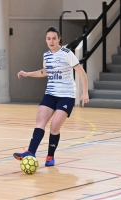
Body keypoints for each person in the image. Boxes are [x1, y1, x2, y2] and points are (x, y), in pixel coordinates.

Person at [13, 26, 89, 167]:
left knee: (54, 127)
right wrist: (27, 73)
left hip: (66, 96)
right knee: (40, 122)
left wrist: (85, 92)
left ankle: (50, 156)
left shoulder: (67, 53)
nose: (51, 41)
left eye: (54, 38)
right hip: (50, 93)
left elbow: (81, 72)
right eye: (48, 39)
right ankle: (30, 152)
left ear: (59, 39)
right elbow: (45, 72)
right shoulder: (46, 55)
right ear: (45, 40)